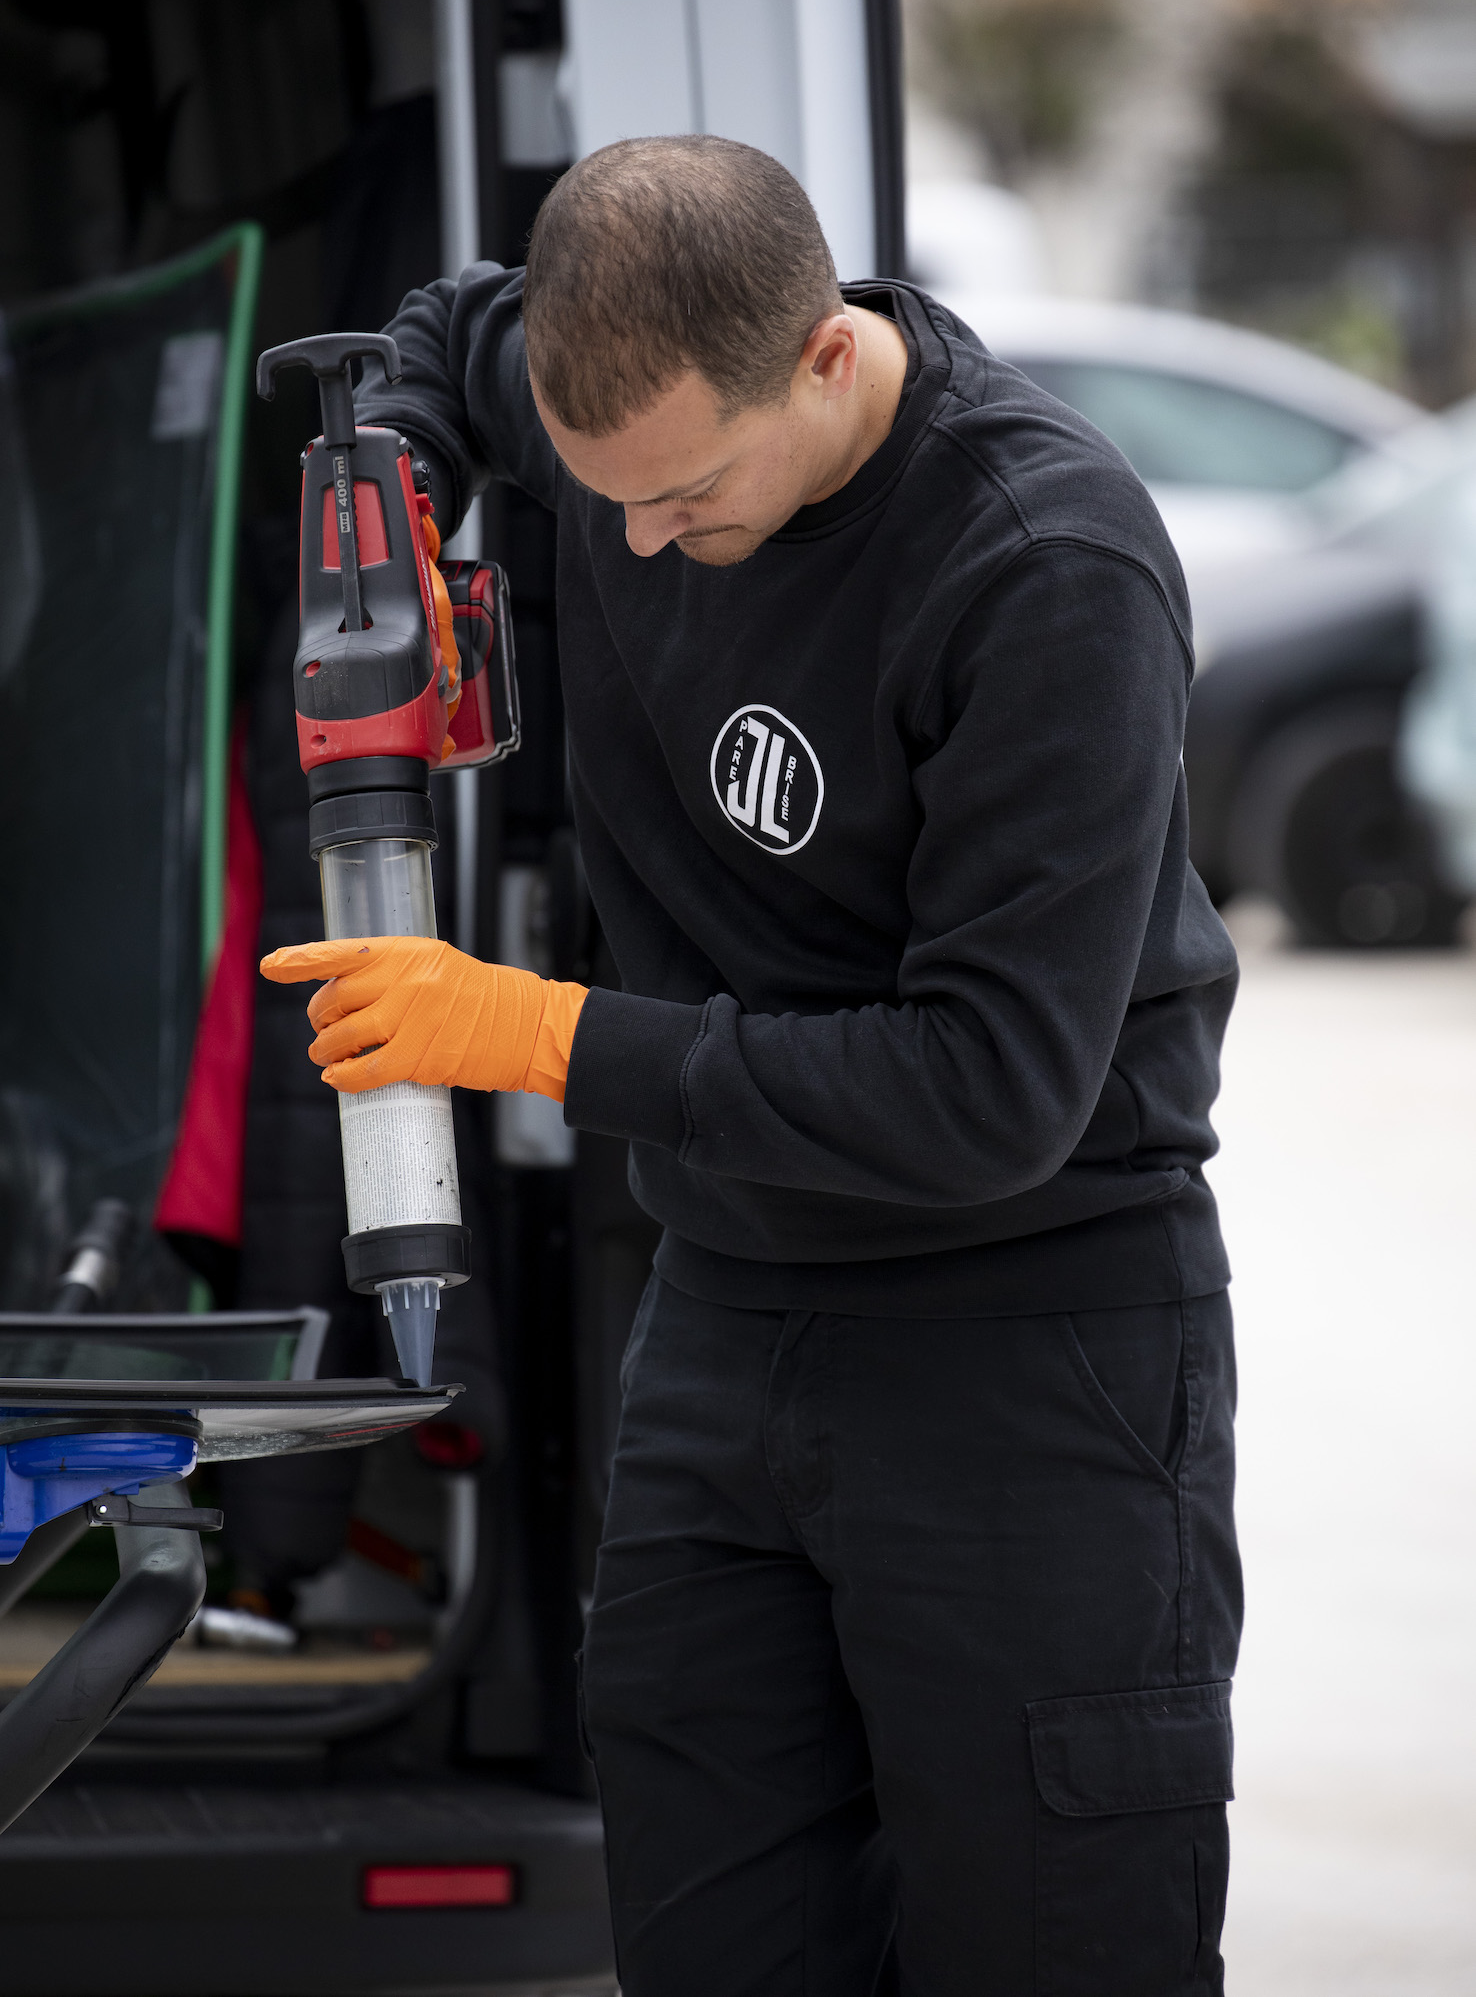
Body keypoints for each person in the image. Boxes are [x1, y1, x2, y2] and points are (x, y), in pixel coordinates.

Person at [263, 135, 1243, 1996]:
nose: (635, 543)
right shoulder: (617, 405)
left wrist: (533, 1029)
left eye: (687, 498)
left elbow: (985, 1091)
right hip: (726, 1323)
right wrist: (399, 490)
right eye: (594, 491)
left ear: (822, 358)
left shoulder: (1044, 565)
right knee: (715, 1939)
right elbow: (435, 333)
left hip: (1030, 1351)